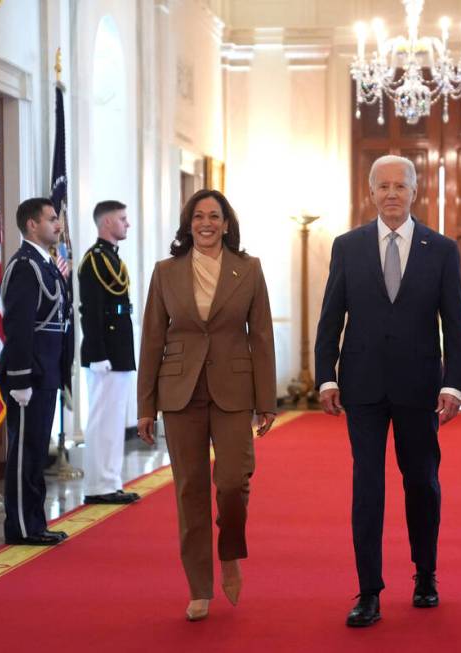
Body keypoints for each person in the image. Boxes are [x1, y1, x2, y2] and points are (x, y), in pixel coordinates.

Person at [315, 154, 461, 628]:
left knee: (421, 482)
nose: (390, 195)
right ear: (370, 192)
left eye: (399, 186)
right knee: (368, 487)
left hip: (420, 385)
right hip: (362, 384)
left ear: (415, 191)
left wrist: (454, 384)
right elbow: (330, 317)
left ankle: (425, 574)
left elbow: (456, 325)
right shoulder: (348, 246)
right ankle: (369, 591)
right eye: (381, 187)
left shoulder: (440, 249)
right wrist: (326, 375)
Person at [137, 189, 276, 622]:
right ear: (188, 223)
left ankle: (230, 551)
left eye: (214, 216)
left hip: (234, 389)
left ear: (227, 223)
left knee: (233, 481)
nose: (206, 223)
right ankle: (199, 588)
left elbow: (263, 337)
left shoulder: (248, 270)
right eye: (198, 216)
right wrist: (146, 406)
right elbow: (152, 339)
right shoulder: (165, 272)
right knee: (190, 491)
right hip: (180, 391)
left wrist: (266, 400)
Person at [0, 197, 74, 546]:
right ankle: (22, 527)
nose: (58, 225)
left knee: (36, 453)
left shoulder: (46, 266)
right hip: (29, 375)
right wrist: (21, 378)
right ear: (32, 224)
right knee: (24, 454)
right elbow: (19, 326)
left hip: (47, 373)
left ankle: (35, 522)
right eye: (52, 219)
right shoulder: (25, 266)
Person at [78, 200, 140, 505]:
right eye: (122, 219)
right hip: (104, 352)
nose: (127, 224)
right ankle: (97, 485)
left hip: (119, 347)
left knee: (114, 419)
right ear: (106, 224)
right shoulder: (93, 261)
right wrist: (97, 352)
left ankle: (111, 481)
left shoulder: (113, 259)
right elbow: (90, 311)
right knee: (102, 419)